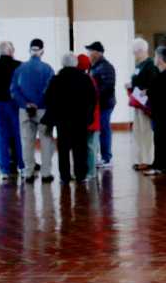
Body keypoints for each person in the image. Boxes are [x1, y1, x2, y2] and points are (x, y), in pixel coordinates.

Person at [45, 52, 98, 183]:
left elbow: (49, 99)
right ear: (75, 63)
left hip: (62, 121)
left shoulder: (56, 79)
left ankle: (65, 176)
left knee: (63, 149)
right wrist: (89, 116)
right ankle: (81, 175)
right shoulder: (85, 79)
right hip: (80, 120)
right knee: (80, 148)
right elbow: (92, 99)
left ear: (63, 64)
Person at [11, 38, 56, 182]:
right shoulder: (48, 69)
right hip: (43, 110)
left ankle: (28, 172)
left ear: (29, 50)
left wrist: (26, 103)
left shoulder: (19, 69)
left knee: (26, 142)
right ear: (42, 50)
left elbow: (14, 90)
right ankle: (46, 173)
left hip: (24, 110)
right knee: (46, 141)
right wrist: (38, 103)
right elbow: (50, 91)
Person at [0, 41, 22, 182]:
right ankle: (22, 165)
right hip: (14, 103)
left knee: (1, 136)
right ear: (11, 51)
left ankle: (4, 170)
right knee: (18, 134)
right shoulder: (18, 65)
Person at [85, 42, 118, 170]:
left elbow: (108, 86)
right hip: (98, 104)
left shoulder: (106, 67)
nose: (88, 54)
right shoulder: (93, 66)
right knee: (99, 130)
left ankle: (107, 158)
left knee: (104, 129)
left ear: (98, 53)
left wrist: (95, 96)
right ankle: (101, 156)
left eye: (90, 51)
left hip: (105, 104)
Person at [128, 39, 158, 169]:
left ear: (141, 51)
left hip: (146, 103)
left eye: (135, 53)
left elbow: (152, 84)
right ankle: (140, 159)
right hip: (137, 101)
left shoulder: (150, 65)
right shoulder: (139, 65)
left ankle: (148, 160)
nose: (134, 55)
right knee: (138, 131)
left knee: (146, 131)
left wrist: (144, 90)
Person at [76, 52, 103, 180]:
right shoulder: (90, 79)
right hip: (93, 117)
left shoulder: (85, 80)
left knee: (89, 146)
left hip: (87, 118)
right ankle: (91, 171)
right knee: (91, 146)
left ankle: (90, 171)